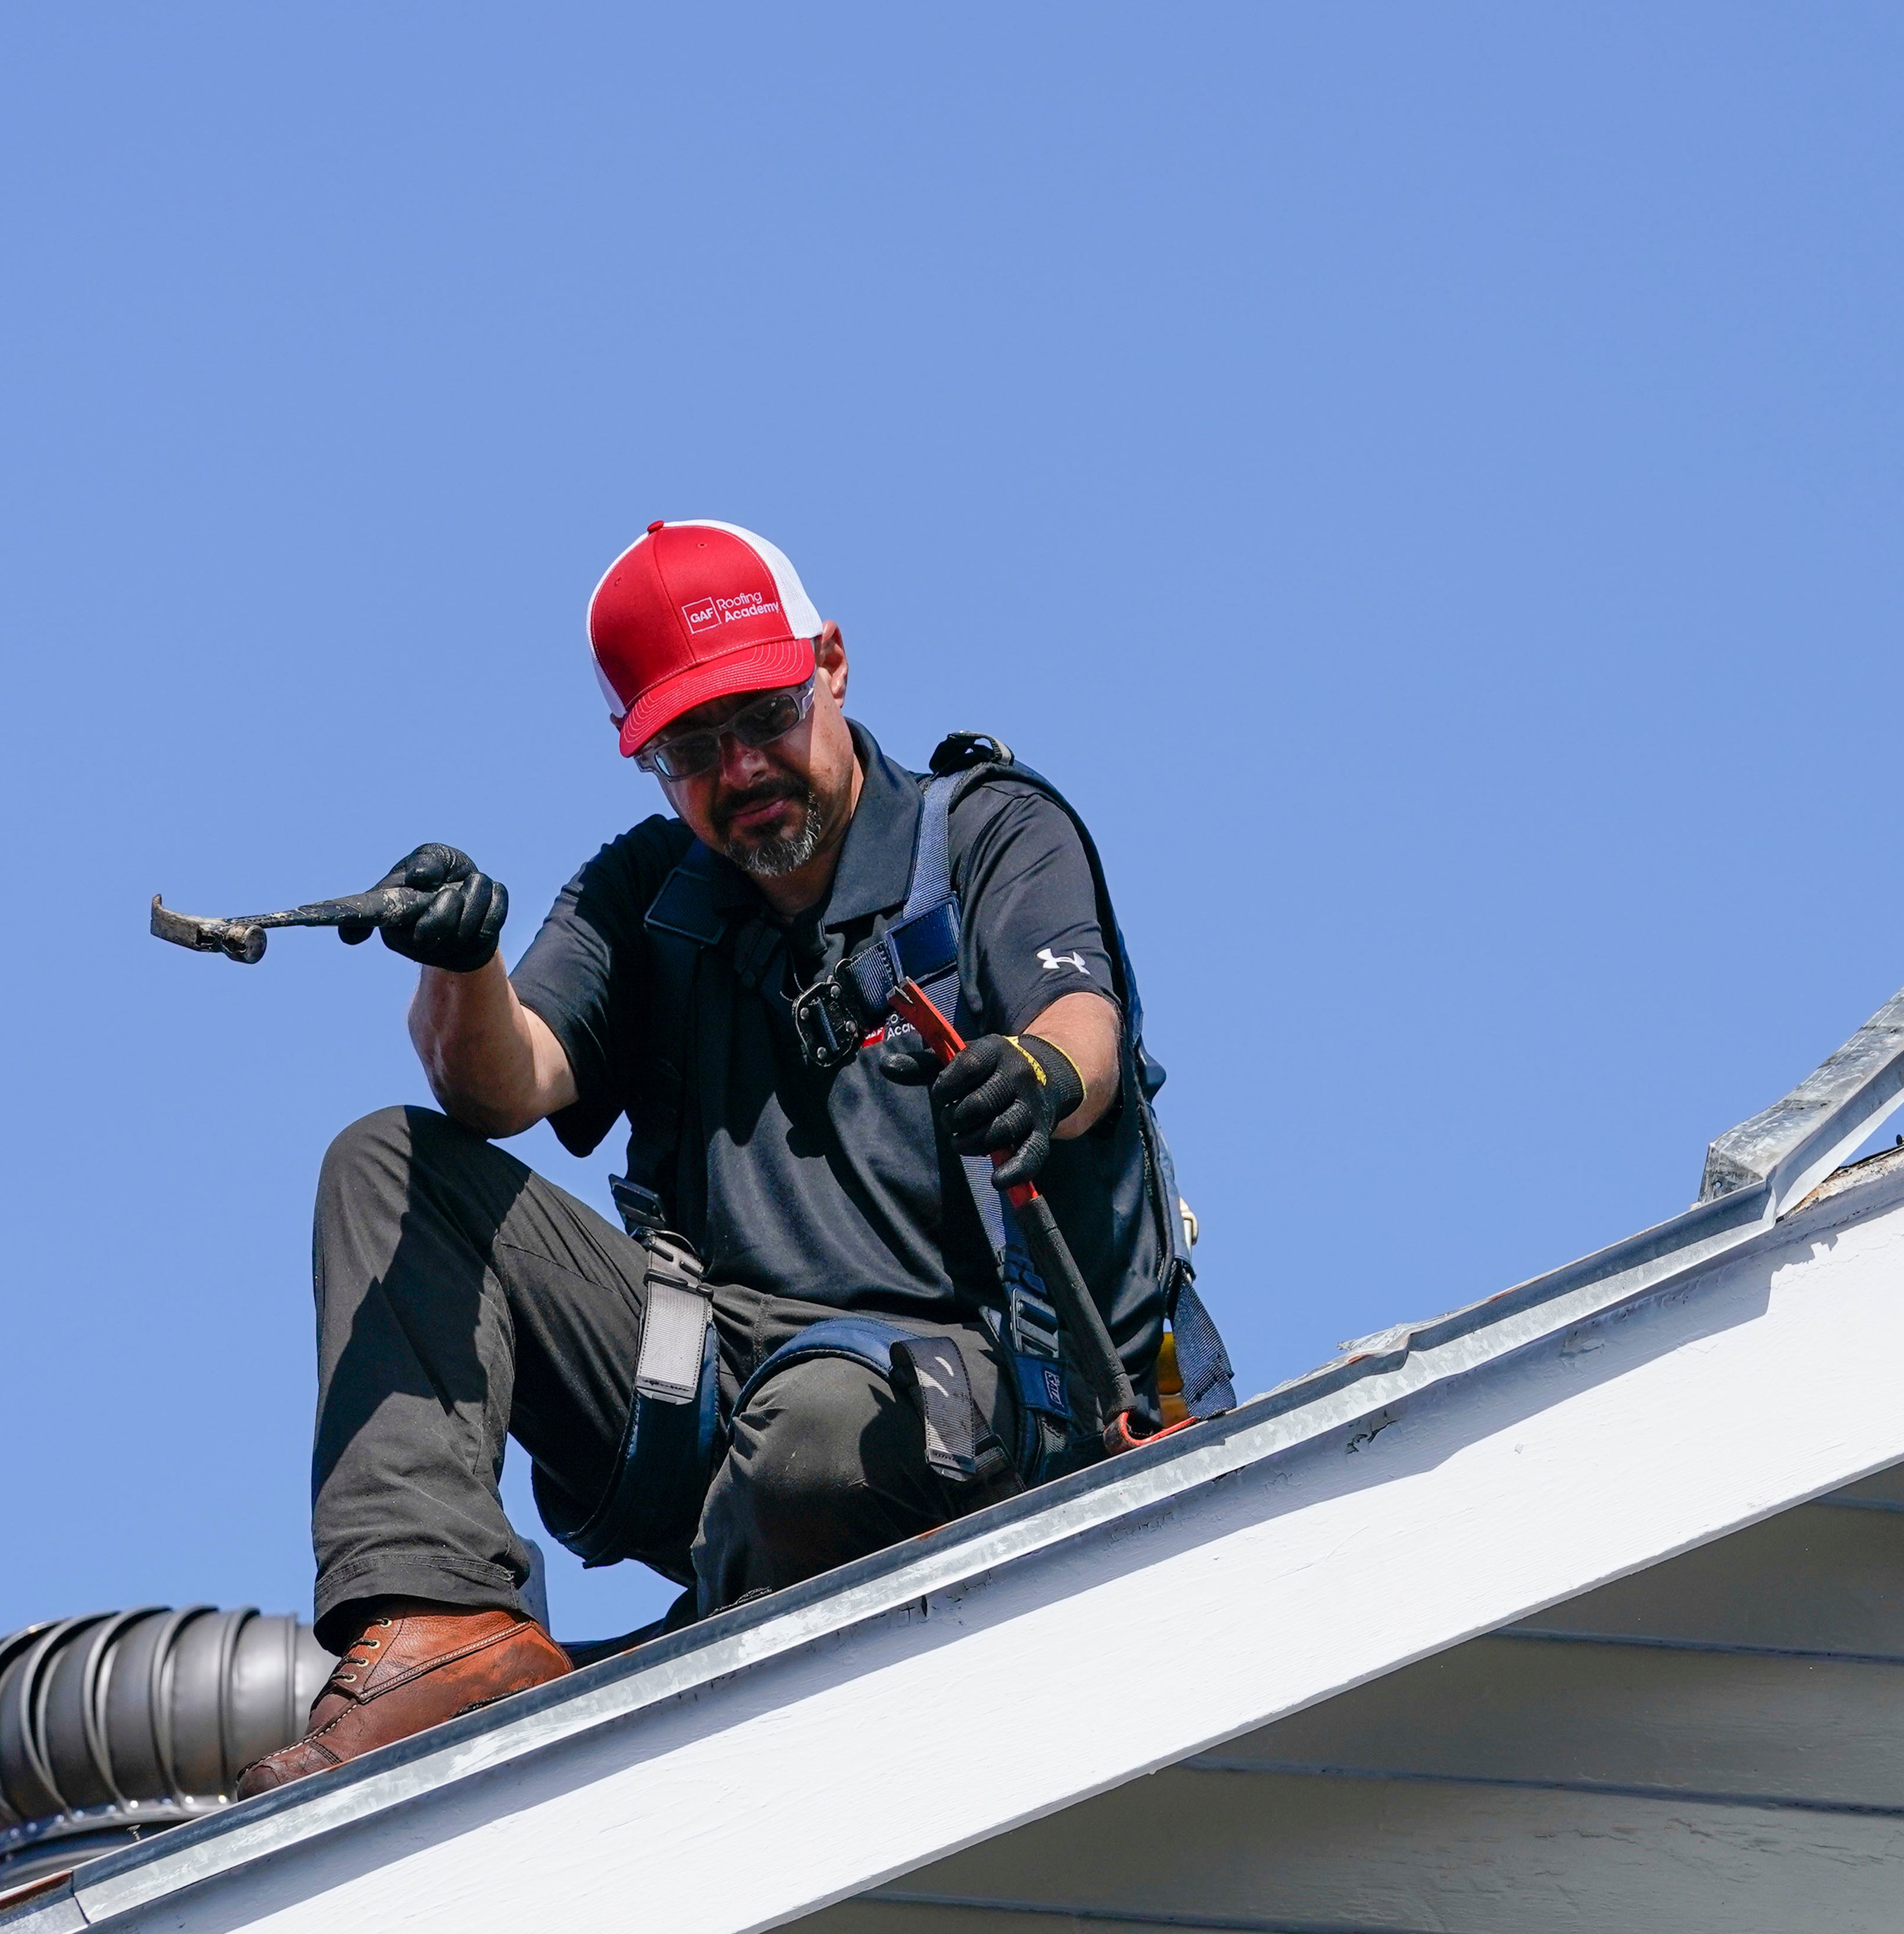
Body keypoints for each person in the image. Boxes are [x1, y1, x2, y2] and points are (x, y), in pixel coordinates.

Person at [232, 519, 1227, 1799]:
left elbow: (1081, 1020)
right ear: (641, 754)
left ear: (833, 664)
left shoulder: (984, 833)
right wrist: (459, 959)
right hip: (719, 1395)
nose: (742, 767)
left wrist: (1041, 1073)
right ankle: (441, 1635)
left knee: (811, 1429)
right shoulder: (652, 893)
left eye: (763, 715)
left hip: (986, 1403)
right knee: (389, 1163)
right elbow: (502, 1080)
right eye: (692, 748)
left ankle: (729, 1653)